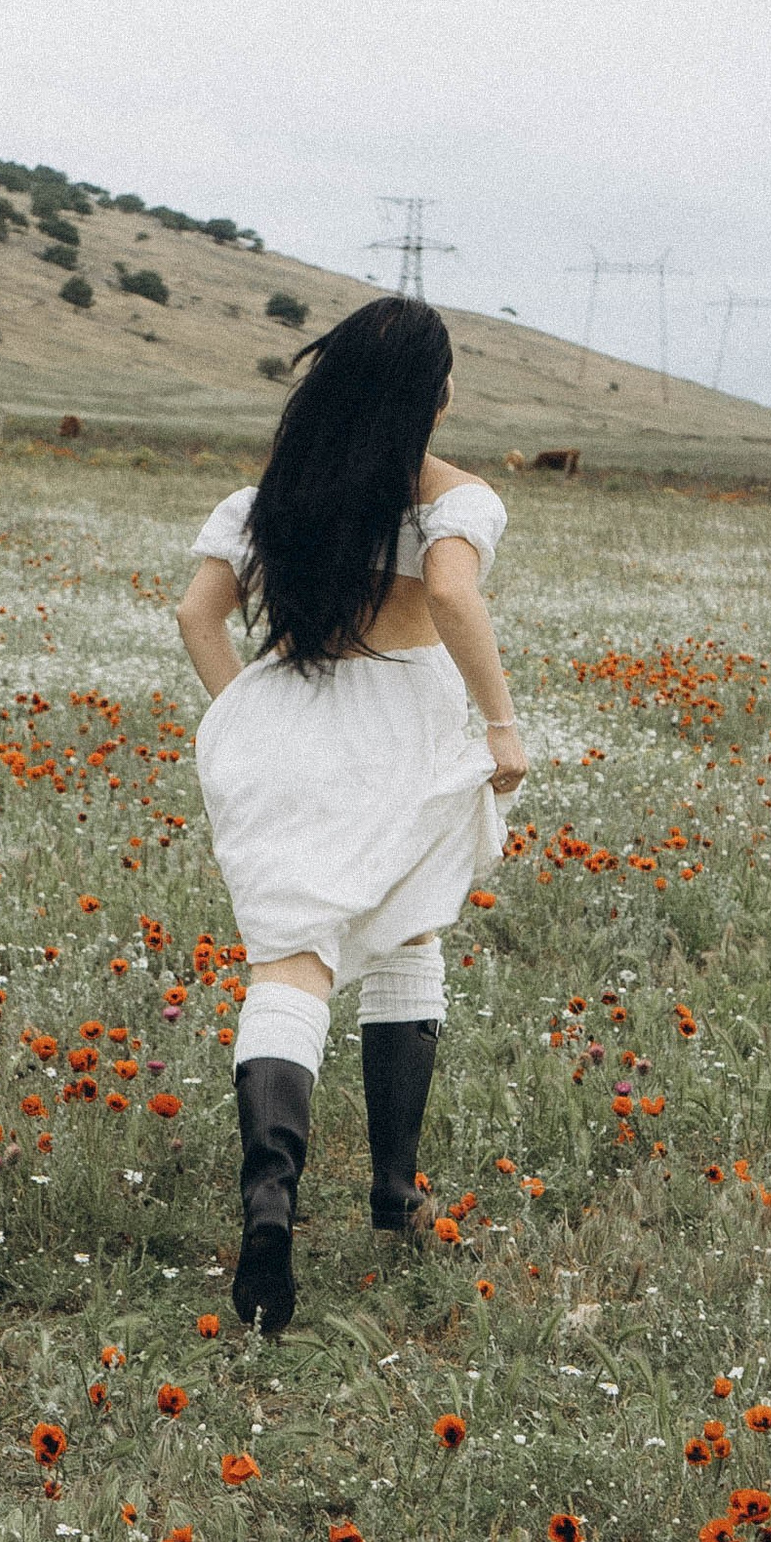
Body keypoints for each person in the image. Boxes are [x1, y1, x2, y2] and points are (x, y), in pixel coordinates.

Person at [175, 296, 528, 1332]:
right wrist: (501, 725)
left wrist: (245, 714)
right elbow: (455, 599)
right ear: (435, 393)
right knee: (410, 926)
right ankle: (393, 1190)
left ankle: (269, 1211)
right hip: (397, 732)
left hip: (285, 716)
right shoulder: (452, 500)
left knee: (290, 959)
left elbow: (197, 616)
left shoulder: (263, 499)